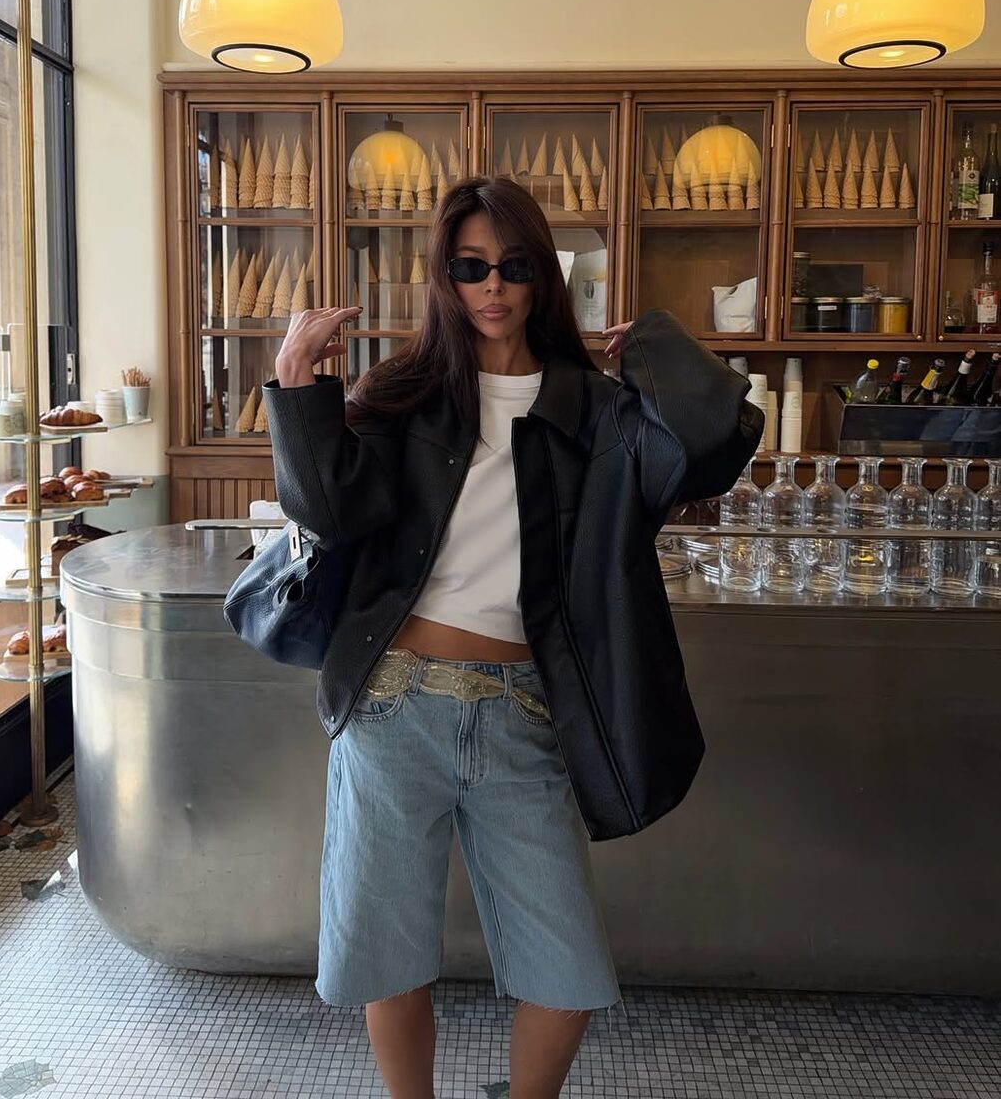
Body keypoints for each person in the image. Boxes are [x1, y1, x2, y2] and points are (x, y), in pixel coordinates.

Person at [265, 176, 762, 1099]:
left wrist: (655, 345)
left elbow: (715, 449)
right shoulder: (403, 395)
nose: (492, 285)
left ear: (543, 277)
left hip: (525, 714)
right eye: (470, 267)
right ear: (444, 278)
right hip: (393, 707)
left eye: (514, 265)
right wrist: (297, 390)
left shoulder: (598, 410)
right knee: (389, 963)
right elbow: (328, 511)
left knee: (565, 977)